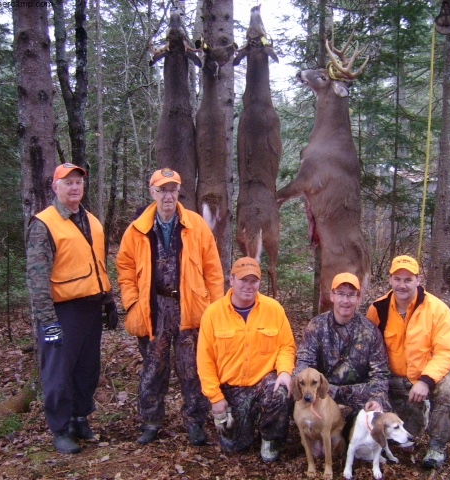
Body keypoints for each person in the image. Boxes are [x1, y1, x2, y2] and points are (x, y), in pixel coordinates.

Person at [116, 167, 224, 446]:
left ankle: (195, 423)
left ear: (178, 192)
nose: (168, 196)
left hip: (191, 307)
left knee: (193, 369)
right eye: (162, 190)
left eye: (173, 190)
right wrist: (131, 303)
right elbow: (125, 269)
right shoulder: (137, 229)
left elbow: (213, 271)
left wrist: (215, 309)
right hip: (154, 308)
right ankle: (151, 422)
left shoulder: (196, 225)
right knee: (154, 368)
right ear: (152, 193)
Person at [26, 163, 118, 454]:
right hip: (62, 311)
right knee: (58, 372)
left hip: (90, 308)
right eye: (68, 183)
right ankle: (60, 428)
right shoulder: (44, 223)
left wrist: (108, 300)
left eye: (78, 182)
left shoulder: (91, 220)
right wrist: (48, 321)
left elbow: (96, 265)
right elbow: (37, 278)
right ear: (55, 187)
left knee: (87, 368)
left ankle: (80, 418)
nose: (75, 187)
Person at [366, 255, 450, 469]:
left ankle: (437, 447)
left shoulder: (437, 310)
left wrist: (426, 380)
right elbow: (368, 348)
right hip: (393, 380)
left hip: (423, 377)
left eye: (408, 279)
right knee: (407, 431)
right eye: (397, 279)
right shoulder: (378, 309)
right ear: (390, 280)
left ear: (418, 280)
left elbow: (449, 351)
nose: (402, 285)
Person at [197, 257, 296, 463]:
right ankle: (238, 424)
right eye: (243, 280)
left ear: (260, 283)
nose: (248, 286)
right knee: (236, 448)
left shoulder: (274, 309)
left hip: (263, 383)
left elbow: (286, 346)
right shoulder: (213, 314)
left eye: (254, 281)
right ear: (231, 280)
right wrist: (215, 398)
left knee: (280, 391)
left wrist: (285, 372)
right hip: (231, 388)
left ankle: (271, 439)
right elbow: (205, 360)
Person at [294, 272, 390, 418]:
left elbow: (380, 374)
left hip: (357, 394)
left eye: (351, 295)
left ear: (358, 298)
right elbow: (304, 363)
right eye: (340, 294)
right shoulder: (316, 326)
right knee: (286, 394)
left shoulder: (370, 331)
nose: (345, 300)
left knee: (383, 413)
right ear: (332, 296)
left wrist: (376, 399)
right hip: (322, 392)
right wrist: (308, 390)